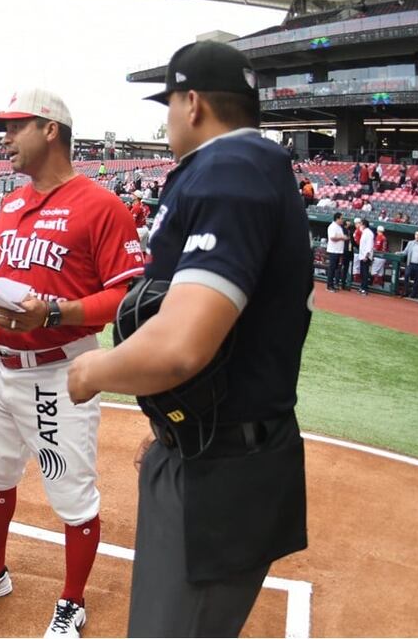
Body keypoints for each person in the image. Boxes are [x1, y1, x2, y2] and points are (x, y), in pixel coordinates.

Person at [68, 40, 311, 637]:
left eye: (170, 103)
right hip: (213, 447)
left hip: (221, 470)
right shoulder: (252, 166)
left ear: (194, 103)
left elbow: (181, 345)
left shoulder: (231, 170)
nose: (168, 116)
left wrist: (91, 372)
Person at [0, 88, 144, 639]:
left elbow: (130, 296)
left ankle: (72, 601)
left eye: (14, 126)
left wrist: (54, 315)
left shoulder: (102, 206)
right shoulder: (12, 204)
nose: (5, 139)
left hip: (59, 367)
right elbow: (3, 282)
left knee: (72, 494)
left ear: (51, 130)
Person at [325, 212, 345, 292]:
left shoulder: (339, 227)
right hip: (333, 250)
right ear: (337, 218)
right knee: (332, 268)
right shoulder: (332, 226)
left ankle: (332, 284)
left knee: (336, 269)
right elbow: (332, 237)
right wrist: (342, 237)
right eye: (341, 218)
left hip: (338, 250)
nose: (342, 220)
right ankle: (329, 286)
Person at [357, 219, 374, 294]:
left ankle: (365, 288)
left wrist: (366, 256)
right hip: (362, 255)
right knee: (362, 272)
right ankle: (362, 287)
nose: (360, 225)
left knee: (365, 273)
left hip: (366, 256)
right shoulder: (364, 232)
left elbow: (369, 246)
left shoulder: (369, 233)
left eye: (361, 224)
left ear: (364, 224)